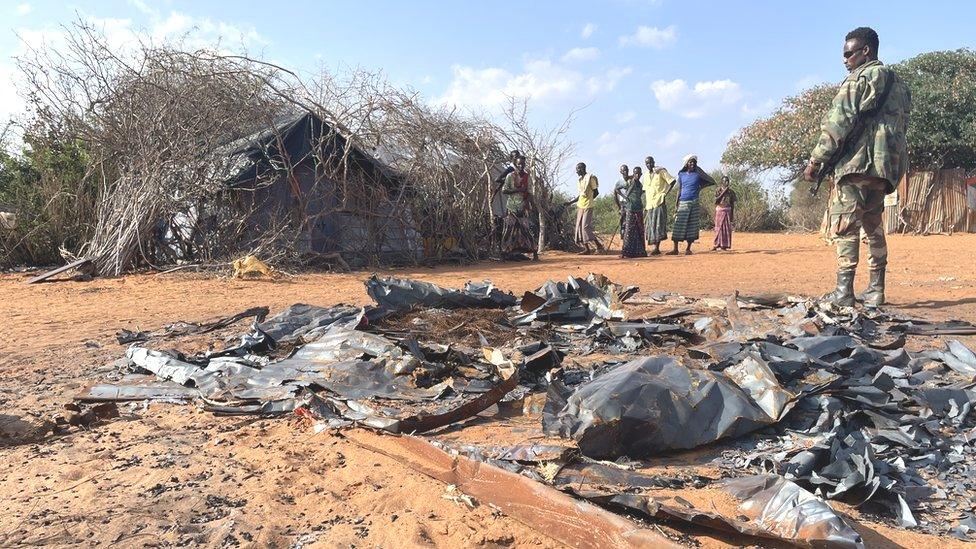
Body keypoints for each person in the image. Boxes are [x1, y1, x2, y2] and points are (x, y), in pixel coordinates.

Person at [803, 26, 911, 308]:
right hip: (884, 171)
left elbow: (837, 126)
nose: (845, 60)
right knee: (874, 227)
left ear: (866, 51)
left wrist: (816, 162)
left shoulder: (857, 80)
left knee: (846, 227)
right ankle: (876, 291)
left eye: (848, 53)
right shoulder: (900, 86)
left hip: (855, 167)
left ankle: (844, 292)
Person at [669, 154, 715, 255]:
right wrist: (676, 203)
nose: (693, 164)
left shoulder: (698, 174)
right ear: (686, 164)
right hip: (683, 202)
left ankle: (688, 249)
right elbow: (679, 189)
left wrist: (700, 187)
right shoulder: (681, 174)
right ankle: (675, 249)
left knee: (692, 226)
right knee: (678, 225)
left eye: (694, 162)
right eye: (690, 162)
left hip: (694, 202)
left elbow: (712, 181)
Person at [501, 155, 539, 260]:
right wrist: (517, 190)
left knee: (526, 231)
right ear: (515, 164)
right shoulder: (510, 176)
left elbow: (529, 193)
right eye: (519, 164)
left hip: (523, 208)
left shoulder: (528, 177)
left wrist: (527, 205)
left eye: (522, 164)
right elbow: (504, 190)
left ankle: (535, 253)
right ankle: (504, 254)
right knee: (508, 231)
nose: (521, 166)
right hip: (511, 207)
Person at [566, 162, 604, 255]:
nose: (576, 171)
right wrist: (570, 202)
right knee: (579, 227)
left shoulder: (590, 178)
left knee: (585, 227)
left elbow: (596, 192)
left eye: (578, 169)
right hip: (581, 205)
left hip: (588, 206)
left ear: (582, 168)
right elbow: (581, 195)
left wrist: (590, 199)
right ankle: (587, 249)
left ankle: (599, 246)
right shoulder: (581, 180)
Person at [641, 156, 676, 255]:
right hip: (650, 204)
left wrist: (664, 194)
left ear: (654, 162)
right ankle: (655, 248)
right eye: (647, 163)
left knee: (658, 225)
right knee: (651, 226)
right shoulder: (646, 175)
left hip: (659, 201)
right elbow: (645, 190)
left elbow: (672, 181)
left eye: (650, 162)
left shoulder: (661, 171)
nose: (649, 165)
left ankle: (657, 248)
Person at [614, 165, 647, 258]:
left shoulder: (640, 185)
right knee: (629, 231)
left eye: (638, 173)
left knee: (640, 230)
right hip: (630, 209)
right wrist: (625, 197)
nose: (637, 175)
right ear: (633, 174)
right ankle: (626, 252)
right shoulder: (629, 183)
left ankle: (640, 252)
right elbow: (617, 189)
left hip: (639, 208)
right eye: (635, 173)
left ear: (641, 174)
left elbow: (640, 194)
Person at [712, 176, 737, 251]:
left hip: (727, 210)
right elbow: (716, 201)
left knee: (726, 229)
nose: (726, 182)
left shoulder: (731, 192)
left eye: (727, 181)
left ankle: (724, 245)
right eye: (725, 181)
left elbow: (732, 203)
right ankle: (717, 244)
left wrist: (732, 214)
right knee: (718, 228)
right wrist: (723, 192)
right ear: (721, 182)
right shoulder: (718, 190)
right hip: (720, 210)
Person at [613, 164, 630, 239]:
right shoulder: (619, 181)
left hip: (631, 203)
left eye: (626, 170)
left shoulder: (631, 180)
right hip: (623, 203)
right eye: (623, 171)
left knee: (631, 223)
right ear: (621, 172)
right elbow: (615, 194)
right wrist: (619, 207)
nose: (625, 172)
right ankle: (624, 238)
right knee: (623, 223)